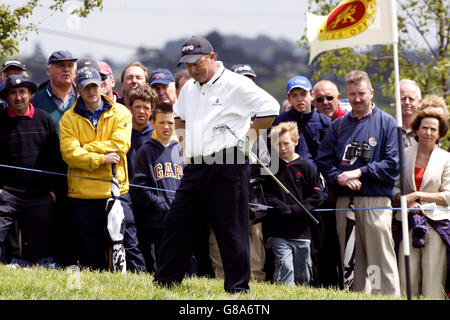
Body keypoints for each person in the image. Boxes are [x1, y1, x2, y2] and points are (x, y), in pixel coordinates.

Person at [154, 36, 279, 293]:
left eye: (197, 63)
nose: (193, 70)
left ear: (212, 57)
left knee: (230, 228)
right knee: (177, 222)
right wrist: (184, 147)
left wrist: (249, 138)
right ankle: (166, 282)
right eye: (188, 66)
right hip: (196, 166)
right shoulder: (189, 88)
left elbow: (270, 107)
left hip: (228, 163)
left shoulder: (235, 83)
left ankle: (237, 288)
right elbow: (179, 116)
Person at [316, 70, 400, 297]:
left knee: (380, 260)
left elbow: (393, 165)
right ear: (346, 95)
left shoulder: (387, 123)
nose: (357, 99)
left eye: (362, 93)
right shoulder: (339, 126)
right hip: (344, 202)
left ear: (371, 93)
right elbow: (323, 161)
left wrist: (359, 172)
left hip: (375, 201)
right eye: (352, 94)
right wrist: (339, 177)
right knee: (351, 262)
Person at [59, 66, 146, 272]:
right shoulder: (68, 120)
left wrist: (87, 148)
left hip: (116, 190)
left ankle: (139, 284)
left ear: (102, 85)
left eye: (94, 86)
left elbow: (121, 145)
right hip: (83, 194)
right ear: (77, 90)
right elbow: (70, 155)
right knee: (90, 250)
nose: (91, 91)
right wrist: (102, 158)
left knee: (128, 243)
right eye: (85, 87)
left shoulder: (121, 112)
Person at [209, 63, 267, 282]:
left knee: (255, 257)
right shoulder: (218, 116)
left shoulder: (263, 121)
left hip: (253, 201)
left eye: (251, 81)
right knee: (221, 252)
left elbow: (267, 167)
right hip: (222, 196)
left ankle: (255, 290)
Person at [0, 74, 64, 265]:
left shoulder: (43, 119)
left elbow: (56, 159)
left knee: (40, 249)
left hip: (40, 194)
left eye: (22, 92)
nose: (18, 97)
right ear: (7, 96)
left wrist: (53, 191)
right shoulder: (0, 121)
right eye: (13, 93)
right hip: (8, 194)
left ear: (29, 94)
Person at [131, 102, 195, 274]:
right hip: (158, 221)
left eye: (170, 123)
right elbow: (140, 188)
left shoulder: (182, 150)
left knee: (188, 263)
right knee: (164, 261)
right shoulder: (146, 151)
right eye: (161, 122)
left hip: (182, 217)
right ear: (152, 123)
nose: (166, 127)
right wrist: (161, 205)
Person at [394, 106, 450, 299]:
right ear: (417, 129)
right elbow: (394, 188)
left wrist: (418, 195)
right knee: (405, 279)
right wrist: (406, 201)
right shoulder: (404, 154)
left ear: (440, 133)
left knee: (433, 283)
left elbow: (448, 196)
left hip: (436, 224)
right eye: (424, 128)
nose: (428, 132)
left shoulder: (446, 158)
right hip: (407, 222)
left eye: (433, 129)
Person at [262, 122, 322, 285]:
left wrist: (297, 209)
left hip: (302, 230)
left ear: (296, 142)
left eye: (286, 143)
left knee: (303, 272)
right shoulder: (270, 167)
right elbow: (265, 194)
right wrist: (281, 207)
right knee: (285, 267)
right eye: (277, 144)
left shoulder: (307, 167)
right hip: (278, 230)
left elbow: (317, 196)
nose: (282, 148)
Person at [271, 76, 331, 169]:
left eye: (303, 94)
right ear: (289, 99)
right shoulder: (279, 121)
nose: (299, 99)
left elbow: (328, 157)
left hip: (314, 178)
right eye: (294, 95)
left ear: (312, 95)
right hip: (285, 176)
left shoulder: (324, 122)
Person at [31, 50, 78, 133]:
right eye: (61, 65)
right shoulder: (36, 99)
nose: (66, 69)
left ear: (75, 71)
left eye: (70, 65)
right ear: (49, 71)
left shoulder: (83, 98)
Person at [126, 84, 156, 179]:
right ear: (130, 108)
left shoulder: (157, 135)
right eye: (138, 107)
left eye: (146, 108)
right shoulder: (123, 132)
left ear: (152, 110)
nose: (142, 111)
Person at [399, 79, 422, 148]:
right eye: (403, 98)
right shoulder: (389, 129)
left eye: (411, 99)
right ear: (395, 101)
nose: (407, 102)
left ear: (420, 102)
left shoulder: (425, 131)